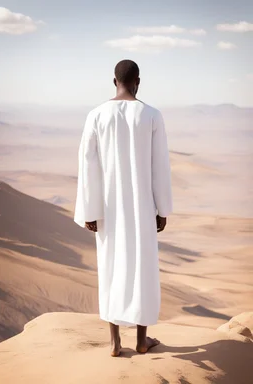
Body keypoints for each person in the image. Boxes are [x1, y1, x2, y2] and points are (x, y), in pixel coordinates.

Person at [74, 59, 173, 357]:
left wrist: (89, 210)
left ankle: (115, 343)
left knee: (110, 268)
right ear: (138, 81)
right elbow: (160, 166)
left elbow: (87, 164)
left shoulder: (96, 115)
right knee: (142, 268)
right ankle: (142, 341)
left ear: (113, 81)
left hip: (108, 209)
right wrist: (162, 208)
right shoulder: (152, 115)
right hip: (142, 208)